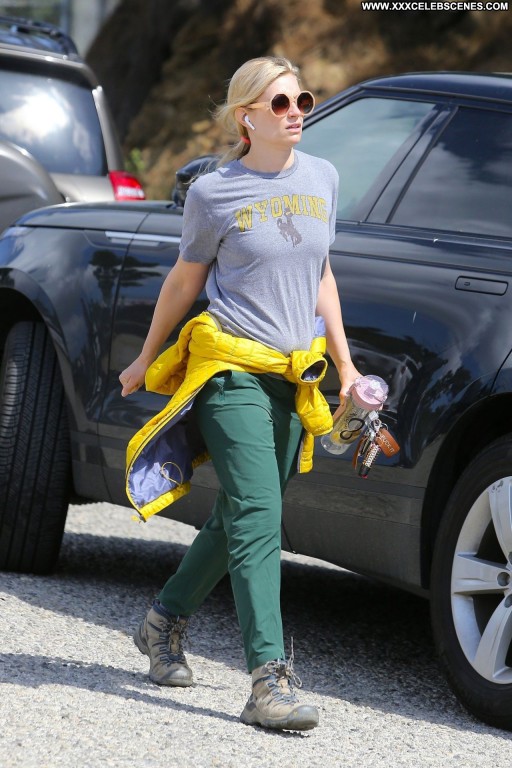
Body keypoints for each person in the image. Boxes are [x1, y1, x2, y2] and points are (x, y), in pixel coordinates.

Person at [119, 55, 360, 732]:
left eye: (301, 100)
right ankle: (267, 681)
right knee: (258, 512)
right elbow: (184, 280)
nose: (296, 112)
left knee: (240, 515)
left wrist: (345, 366)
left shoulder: (323, 178)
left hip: (293, 373)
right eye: (280, 103)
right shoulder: (214, 192)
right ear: (246, 116)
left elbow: (322, 276)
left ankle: (163, 620)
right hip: (229, 368)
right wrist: (146, 356)